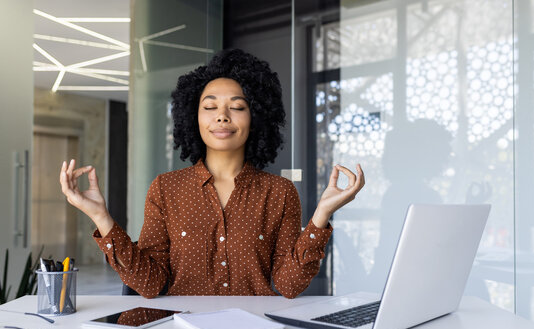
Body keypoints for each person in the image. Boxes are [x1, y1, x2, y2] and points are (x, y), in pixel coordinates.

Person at [59, 49, 364, 299]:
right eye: (210, 106)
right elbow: (149, 284)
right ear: (194, 117)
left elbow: (288, 286)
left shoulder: (280, 192)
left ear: (256, 117)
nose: (222, 115)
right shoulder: (165, 189)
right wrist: (101, 217)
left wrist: (322, 214)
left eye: (237, 106)